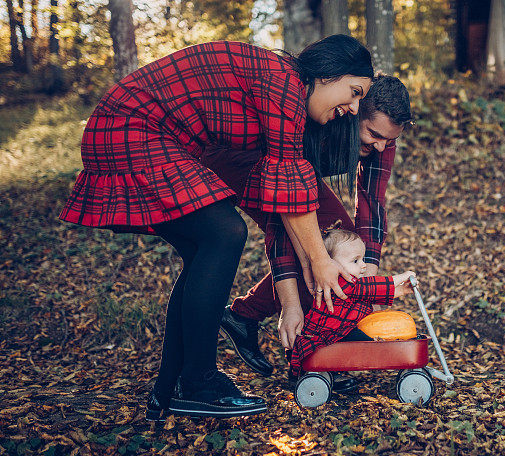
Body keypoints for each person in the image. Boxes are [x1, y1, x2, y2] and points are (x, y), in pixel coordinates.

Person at [58, 35, 374, 420]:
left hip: (144, 132)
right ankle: (199, 382)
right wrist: (320, 262)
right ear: (327, 75)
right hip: (132, 127)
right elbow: (290, 185)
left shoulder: (286, 87)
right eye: (354, 92)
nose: (354, 107)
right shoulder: (286, 85)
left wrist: (314, 261)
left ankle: (172, 388)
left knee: (204, 250)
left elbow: (288, 195)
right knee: (225, 232)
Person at [203, 75, 412, 392]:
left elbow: (372, 201)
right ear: (354, 111)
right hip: (240, 162)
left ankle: (244, 316)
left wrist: (368, 268)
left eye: (389, 140)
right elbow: (283, 221)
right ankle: (307, 360)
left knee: (341, 245)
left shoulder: (381, 136)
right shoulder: (318, 120)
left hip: (296, 176)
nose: (382, 146)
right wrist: (290, 304)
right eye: (374, 135)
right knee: (325, 247)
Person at [287, 227, 415, 378]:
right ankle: (381, 361)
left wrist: (402, 290)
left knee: (363, 341)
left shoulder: (350, 284)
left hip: (339, 331)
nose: (363, 265)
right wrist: (401, 277)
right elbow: (368, 288)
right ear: (332, 264)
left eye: (363, 259)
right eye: (355, 260)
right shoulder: (339, 283)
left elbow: (364, 296)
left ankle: (340, 368)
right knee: (368, 344)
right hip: (323, 335)